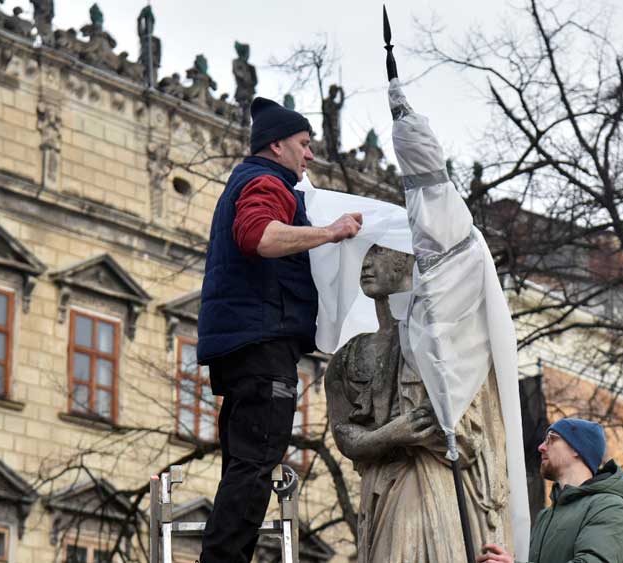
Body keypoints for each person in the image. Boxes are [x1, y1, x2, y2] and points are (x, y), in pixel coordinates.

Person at [197, 96, 362, 563]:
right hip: (262, 343)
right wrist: (330, 233)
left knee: (243, 467)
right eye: (304, 144)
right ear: (277, 144)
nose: (310, 155)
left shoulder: (252, 180)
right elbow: (259, 236)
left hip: (243, 343)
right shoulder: (267, 182)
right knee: (254, 465)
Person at [324, 245, 512, 563]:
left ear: (406, 258)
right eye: (363, 254)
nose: (365, 263)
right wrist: (391, 434)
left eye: (378, 251)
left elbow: (471, 433)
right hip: (380, 486)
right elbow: (345, 434)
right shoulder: (349, 356)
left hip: (433, 484)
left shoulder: (445, 338)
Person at [477, 418, 623, 563]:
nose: (541, 447)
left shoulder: (610, 508)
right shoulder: (547, 515)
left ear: (577, 448)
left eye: (551, 439)